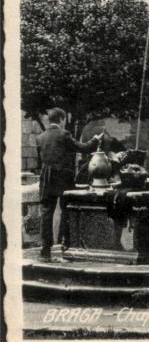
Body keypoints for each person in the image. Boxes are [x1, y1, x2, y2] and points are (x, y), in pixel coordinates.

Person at [36, 108, 100, 261]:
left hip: (46, 177)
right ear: (61, 119)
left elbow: (40, 161)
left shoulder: (40, 137)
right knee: (67, 210)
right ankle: (67, 246)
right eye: (64, 120)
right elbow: (83, 148)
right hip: (63, 177)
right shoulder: (64, 134)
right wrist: (95, 140)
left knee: (46, 213)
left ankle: (45, 251)